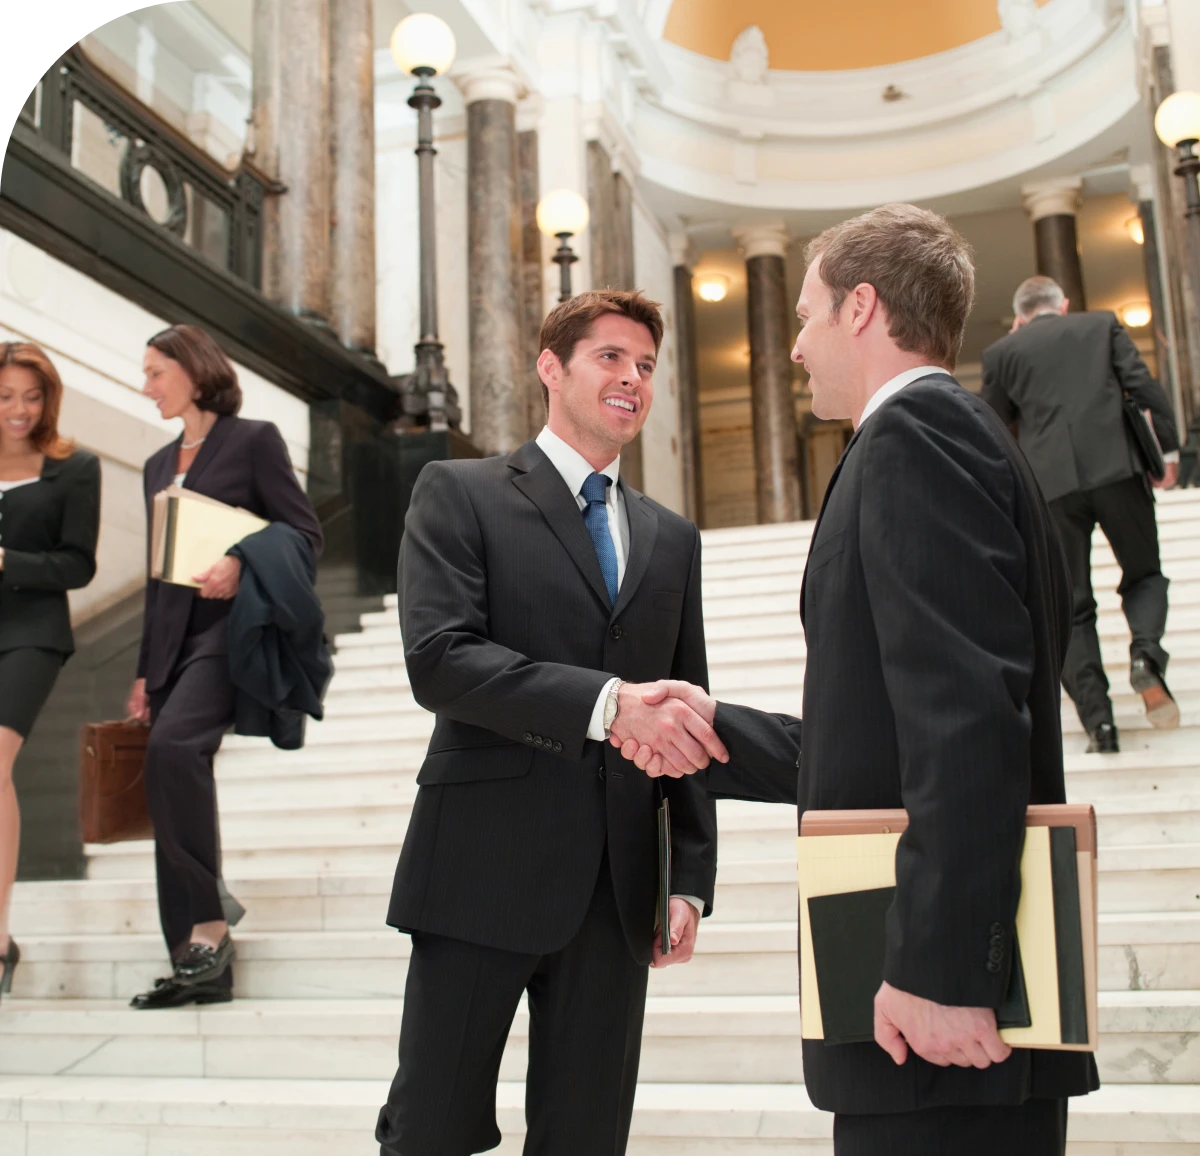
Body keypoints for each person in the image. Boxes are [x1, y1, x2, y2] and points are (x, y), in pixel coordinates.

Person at [619, 206, 1098, 1155]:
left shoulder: (917, 438)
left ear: (863, 308)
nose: (793, 347)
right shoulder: (942, 435)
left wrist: (946, 970)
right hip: (927, 1021)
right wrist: (718, 727)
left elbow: (968, 721)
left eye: (805, 317)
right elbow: (893, 732)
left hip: (936, 1018)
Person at [376, 289, 724, 1156]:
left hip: (618, 889)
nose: (632, 380)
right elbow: (440, 659)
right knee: (430, 1128)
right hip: (479, 868)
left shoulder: (673, 538)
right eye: (610, 357)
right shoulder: (460, 492)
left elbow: (688, 707)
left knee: (587, 1135)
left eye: (645, 366)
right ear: (550, 367)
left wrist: (687, 876)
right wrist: (603, 706)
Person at [125, 325, 322, 1010]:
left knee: (176, 748)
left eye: (155, 372)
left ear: (191, 370)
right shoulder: (156, 464)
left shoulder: (254, 440)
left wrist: (241, 561)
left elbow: (303, 531)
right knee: (164, 764)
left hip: (227, 632)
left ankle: (207, 921)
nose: (146, 386)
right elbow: (156, 579)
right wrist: (146, 672)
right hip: (172, 641)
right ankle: (195, 959)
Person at [981, 276, 1181, 753]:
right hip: (1118, 471)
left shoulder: (1003, 353)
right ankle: (1146, 660)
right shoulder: (1101, 325)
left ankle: (1100, 724)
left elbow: (992, 425)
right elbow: (1144, 386)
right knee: (1145, 575)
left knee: (1069, 607)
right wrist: (1168, 450)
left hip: (1051, 490)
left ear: (1022, 314)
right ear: (1064, 305)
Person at [0, 342, 100, 1002]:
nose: (18, 409)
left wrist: (9, 562)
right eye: (6, 395)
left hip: (32, 633)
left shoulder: (76, 467)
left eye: (31, 397)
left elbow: (77, 565)